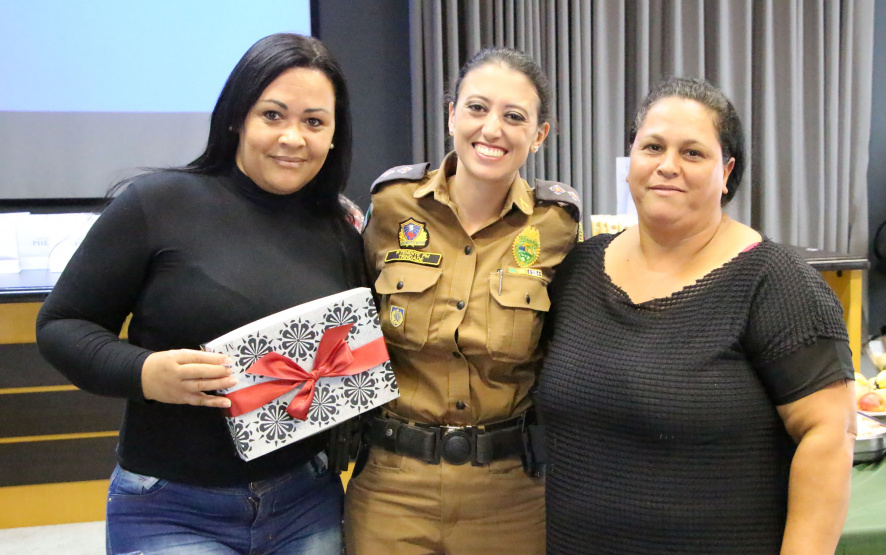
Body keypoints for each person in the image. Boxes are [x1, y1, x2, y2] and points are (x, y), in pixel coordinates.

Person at [35, 33, 363, 555]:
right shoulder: (158, 203)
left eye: (314, 122)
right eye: (272, 115)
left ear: (332, 135)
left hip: (306, 500)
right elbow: (60, 325)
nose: (293, 138)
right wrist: (146, 374)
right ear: (237, 116)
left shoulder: (343, 230)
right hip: (171, 508)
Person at [540, 77, 857, 554]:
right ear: (631, 163)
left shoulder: (777, 282)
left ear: (726, 171)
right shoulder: (577, 269)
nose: (668, 166)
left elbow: (830, 434)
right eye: (653, 147)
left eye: (692, 153)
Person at [344, 47, 581, 554]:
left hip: (508, 494)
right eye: (477, 108)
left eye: (514, 116)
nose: (492, 129)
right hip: (392, 487)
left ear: (538, 136)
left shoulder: (558, 227)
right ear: (451, 113)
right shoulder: (392, 205)